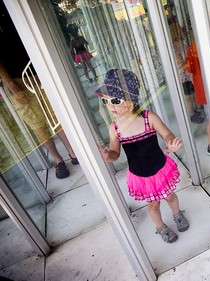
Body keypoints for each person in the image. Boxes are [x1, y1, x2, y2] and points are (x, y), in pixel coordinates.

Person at [96, 69, 189, 243]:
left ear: (131, 101)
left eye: (115, 100)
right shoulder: (114, 128)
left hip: (160, 169)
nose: (110, 106)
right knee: (153, 205)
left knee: (170, 196)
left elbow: (167, 135)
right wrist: (106, 156)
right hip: (140, 175)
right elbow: (115, 154)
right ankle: (160, 227)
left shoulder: (149, 118)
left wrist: (171, 143)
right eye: (106, 101)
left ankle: (177, 215)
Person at [0, 3, 78, 179]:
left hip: (42, 72)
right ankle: (58, 160)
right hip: (18, 81)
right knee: (38, 124)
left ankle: (73, 152)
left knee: (56, 116)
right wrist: (8, 82)